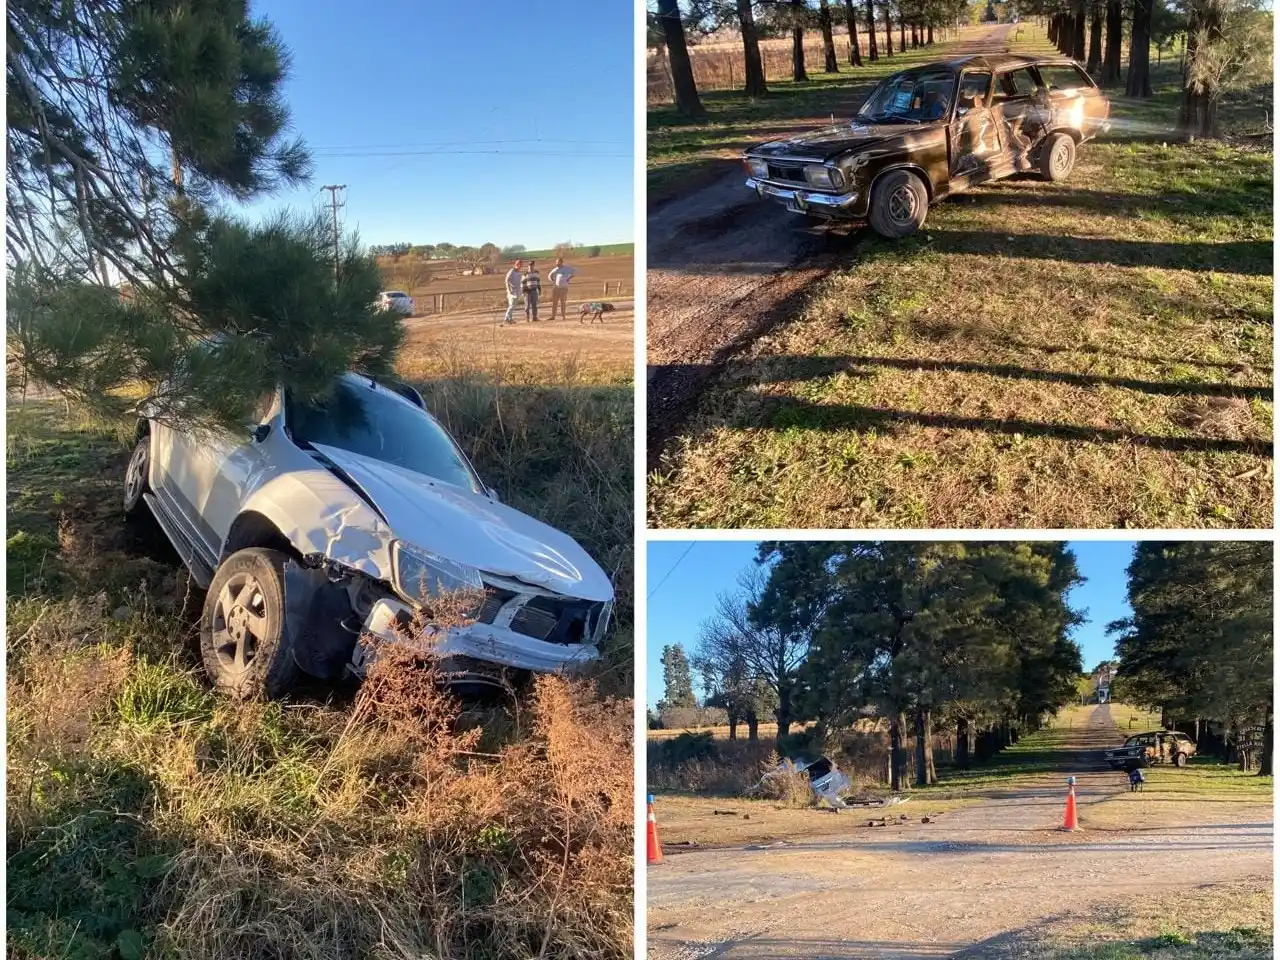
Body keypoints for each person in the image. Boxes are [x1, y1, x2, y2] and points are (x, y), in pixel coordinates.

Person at [547, 256, 576, 321]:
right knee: (554, 303)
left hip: (563, 288)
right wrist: (552, 280)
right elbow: (549, 276)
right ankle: (553, 316)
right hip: (556, 288)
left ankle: (563, 316)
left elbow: (573, 272)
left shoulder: (566, 268)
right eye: (556, 262)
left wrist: (568, 278)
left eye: (558, 262)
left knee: (563, 302)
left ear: (562, 262)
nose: (557, 263)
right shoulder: (555, 269)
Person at [503, 259, 523, 324]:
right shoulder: (511, 271)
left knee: (513, 306)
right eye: (518, 264)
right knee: (512, 305)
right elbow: (507, 280)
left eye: (520, 264)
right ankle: (506, 318)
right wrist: (509, 290)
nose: (520, 266)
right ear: (516, 264)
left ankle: (510, 319)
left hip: (517, 291)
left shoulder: (519, 272)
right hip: (512, 291)